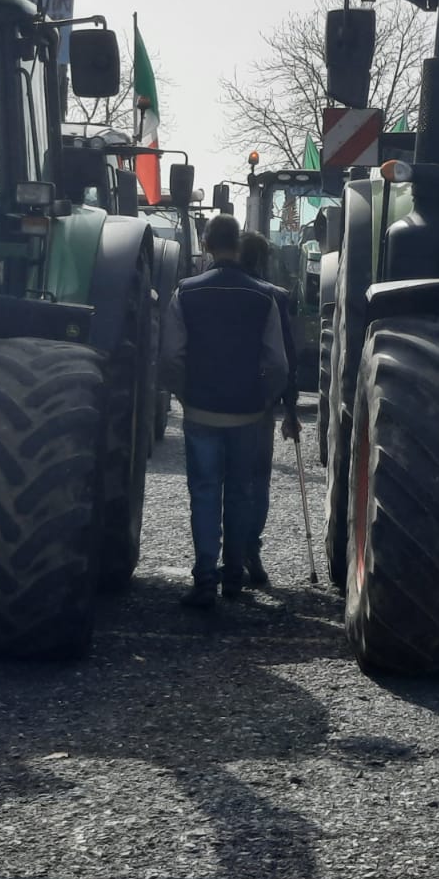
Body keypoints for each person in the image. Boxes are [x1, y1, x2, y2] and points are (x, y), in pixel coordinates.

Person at [160, 215, 289, 608]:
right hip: (248, 413)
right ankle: (234, 577)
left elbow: (171, 356)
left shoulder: (186, 293)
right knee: (240, 493)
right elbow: (278, 363)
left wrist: (184, 395)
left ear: (207, 243)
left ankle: (204, 580)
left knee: (203, 493)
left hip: (201, 410)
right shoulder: (264, 295)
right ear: (238, 243)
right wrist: (264, 398)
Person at [238, 231, 300, 586]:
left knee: (225, 478)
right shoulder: (276, 297)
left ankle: (226, 553)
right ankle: (250, 547)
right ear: (264, 260)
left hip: (217, 399)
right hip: (260, 402)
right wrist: (289, 409)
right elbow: (287, 359)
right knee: (258, 478)